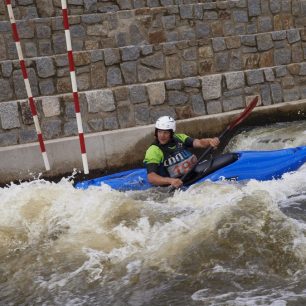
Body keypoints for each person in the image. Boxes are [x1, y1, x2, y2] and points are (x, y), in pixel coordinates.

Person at [143, 116, 220, 188]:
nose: (162, 136)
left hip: (194, 174)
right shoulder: (153, 150)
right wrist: (171, 181)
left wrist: (210, 141)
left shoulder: (180, 138)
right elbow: (151, 177)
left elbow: (199, 143)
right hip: (175, 184)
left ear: (171, 133)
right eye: (159, 132)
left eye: (165, 132)